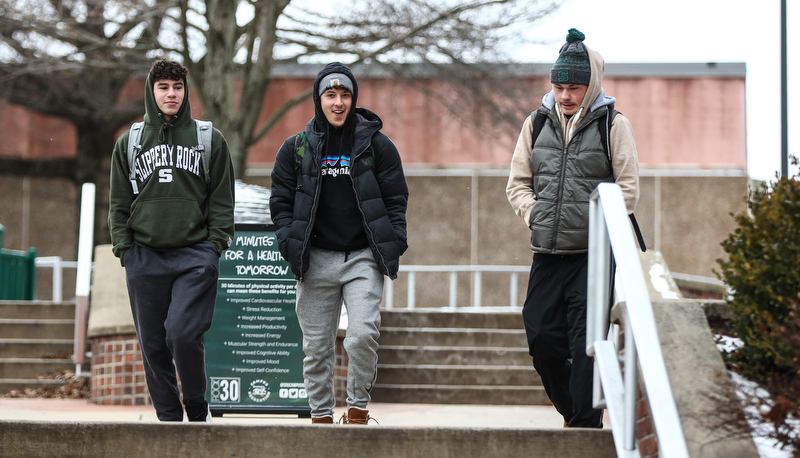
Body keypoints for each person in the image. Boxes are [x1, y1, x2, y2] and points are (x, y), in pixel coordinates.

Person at [506, 29, 639, 428]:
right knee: (542, 339)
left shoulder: (613, 125)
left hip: (593, 257)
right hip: (546, 252)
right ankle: (572, 410)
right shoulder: (536, 123)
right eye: (559, 86)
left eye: (574, 87)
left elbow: (628, 189)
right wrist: (536, 215)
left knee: (586, 345)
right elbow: (517, 183)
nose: (565, 95)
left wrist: (597, 229)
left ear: (591, 85)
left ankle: (584, 426)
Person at [269, 62, 409, 425]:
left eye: (345, 94)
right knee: (315, 348)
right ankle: (320, 419)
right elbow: (280, 202)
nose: (338, 102)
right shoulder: (295, 148)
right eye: (330, 95)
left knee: (362, 335)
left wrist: (394, 242)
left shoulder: (377, 145)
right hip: (314, 258)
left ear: (353, 99)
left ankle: (358, 410)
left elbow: (396, 199)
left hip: (362, 257)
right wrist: (289, 242)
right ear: (319, 99)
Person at [108, 58, 235, 422]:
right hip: (144, 256)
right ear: (151, 91)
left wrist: (214, 246)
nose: (171, 94)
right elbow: (118, 203)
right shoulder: (129, 143)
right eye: (163, 87)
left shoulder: (209, 139)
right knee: (153, 346)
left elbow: (222, 200)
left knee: (181, 334)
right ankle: (167, 421)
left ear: (185, 91)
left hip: (195, 255)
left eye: (177, 87)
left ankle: (196, 407)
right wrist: (125, 250)